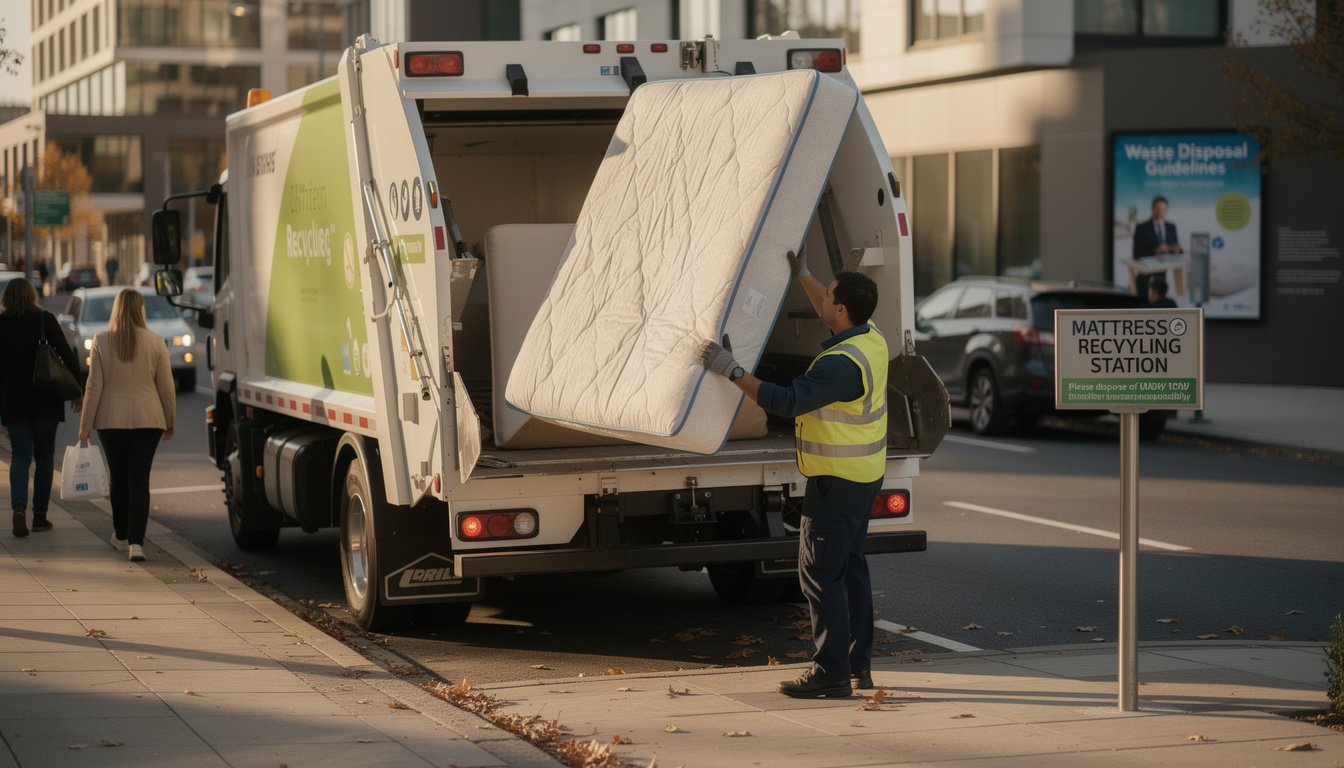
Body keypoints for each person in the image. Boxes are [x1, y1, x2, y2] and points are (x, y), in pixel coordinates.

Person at [699, 252, 887, 699]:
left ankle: (832, 674)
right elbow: (831, 301)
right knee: (851, 571)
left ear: (841, 311)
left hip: (836, 482)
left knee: (820, 575)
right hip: (863, 477)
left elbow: (784, 402)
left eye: (827, 295)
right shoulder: (870, 338)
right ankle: (858, 667)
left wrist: (732, 370)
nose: (822, 296)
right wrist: (803, 274)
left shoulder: (839, 365)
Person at [78, 288, 176, 562]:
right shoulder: (156, 341)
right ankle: (137, 543)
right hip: (149, 418)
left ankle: (120, 535)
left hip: (110, 419)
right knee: (139, 480)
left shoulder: (101, 341)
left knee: (118, 478)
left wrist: (85, 424)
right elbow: (166, 387)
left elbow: (94, 385)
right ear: (140, 309)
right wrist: (170, 420)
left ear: (117, 309)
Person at [0, 277, 83, 537]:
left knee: (20, 456)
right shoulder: (45, 320)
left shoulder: (1, 325)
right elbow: (69, 356)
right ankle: (40, 517)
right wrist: (77, 391)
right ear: (32, 295)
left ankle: (18, 508)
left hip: (14, 402)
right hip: (46, 399)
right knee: (45, 457)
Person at [1131, 195, 1183, 299]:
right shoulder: (1141, 227)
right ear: (1152, 209)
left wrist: (1177, 250)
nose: (1160, 212)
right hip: (1145, 276)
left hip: (1162, 276)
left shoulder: (1171, 227)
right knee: (1143, 303)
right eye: (1157, 208)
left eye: (1163, 209)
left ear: (1167, 210)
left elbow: (1178, 249)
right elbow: (1136, 253)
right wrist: (1155, 250)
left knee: (1161, 303)